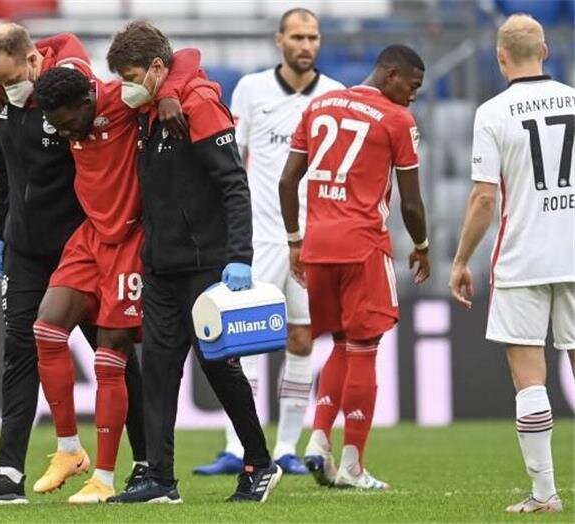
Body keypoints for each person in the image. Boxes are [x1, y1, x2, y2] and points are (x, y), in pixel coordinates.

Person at [0, 24, 147, 505]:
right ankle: (9, 473)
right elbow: (3, 174)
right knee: (20, 351)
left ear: (34, 60)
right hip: (25, 249)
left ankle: (147, 465)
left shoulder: (65, 95)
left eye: (13, 79)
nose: (8, 89)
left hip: (80, 246)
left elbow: (88, 62)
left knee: (112, 352)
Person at [104, 21, 282, 504]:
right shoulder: (150, 109)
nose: (126, 87)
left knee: (219, 367)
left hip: (207, 263)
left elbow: (233, 184)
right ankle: (160, 479)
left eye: (131, 76)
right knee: (158, 370)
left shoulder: (199, 103)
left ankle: (259, 462)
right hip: (162, 265)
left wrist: (239, 257)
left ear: (156, 68)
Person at [30, 42, 199, 504]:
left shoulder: (122, 99)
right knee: (46, 329)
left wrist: (170, 93)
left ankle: (104, 478)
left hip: (131, 238)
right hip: (91, 236)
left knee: (111, 353)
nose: (66, 132)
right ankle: (69, 450)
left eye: (70, 122)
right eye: (59, 126)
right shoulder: (63, 95)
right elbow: (59, 42)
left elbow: (187, 55)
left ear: (88, 100)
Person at [194, 7, 344, 477]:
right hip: (259, 236)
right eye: (297, 37)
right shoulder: (252, 89)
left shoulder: (336, 95)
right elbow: (233, 160)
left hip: (312, 238)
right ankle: (237, 446)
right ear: (279, 40)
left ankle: (285, 448)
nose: (306, 45)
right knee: (245, 341)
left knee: (301, 338)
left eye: (313, 37)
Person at [279, 44, 431, 490]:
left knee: (342, 343)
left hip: (317, 245)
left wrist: (294, 240)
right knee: (365, 347)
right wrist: (421, 246)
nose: (414, 95)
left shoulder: (319, 104)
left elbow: (287, 180)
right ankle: (352, 465)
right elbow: (412, 202)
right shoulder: (397, 120)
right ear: (391, 74)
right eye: (413, 85)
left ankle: (318, 438)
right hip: (363, 246)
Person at [449, 14, 573, 514]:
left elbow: (484, 198)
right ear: (545, 51)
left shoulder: (492, 112)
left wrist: (460, 260)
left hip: (523, 258)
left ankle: (544, 494)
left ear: (501, 58)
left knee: (530, 378)